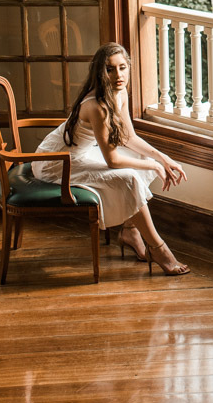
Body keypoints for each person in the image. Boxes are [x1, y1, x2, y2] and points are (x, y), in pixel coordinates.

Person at [32, 42, 190, 276]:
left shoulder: (120, 92)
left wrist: (162, 157)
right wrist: (153, 164)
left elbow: (128, 137)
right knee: (130, 177)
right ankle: (158, 249)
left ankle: (129, 231)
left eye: (122, 68)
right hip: (56, 162)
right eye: (110, 69)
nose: (118, 75)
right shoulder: (96, 106)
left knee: (140, 160)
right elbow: (113, 161)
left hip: (82, 152)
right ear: (99, 72)